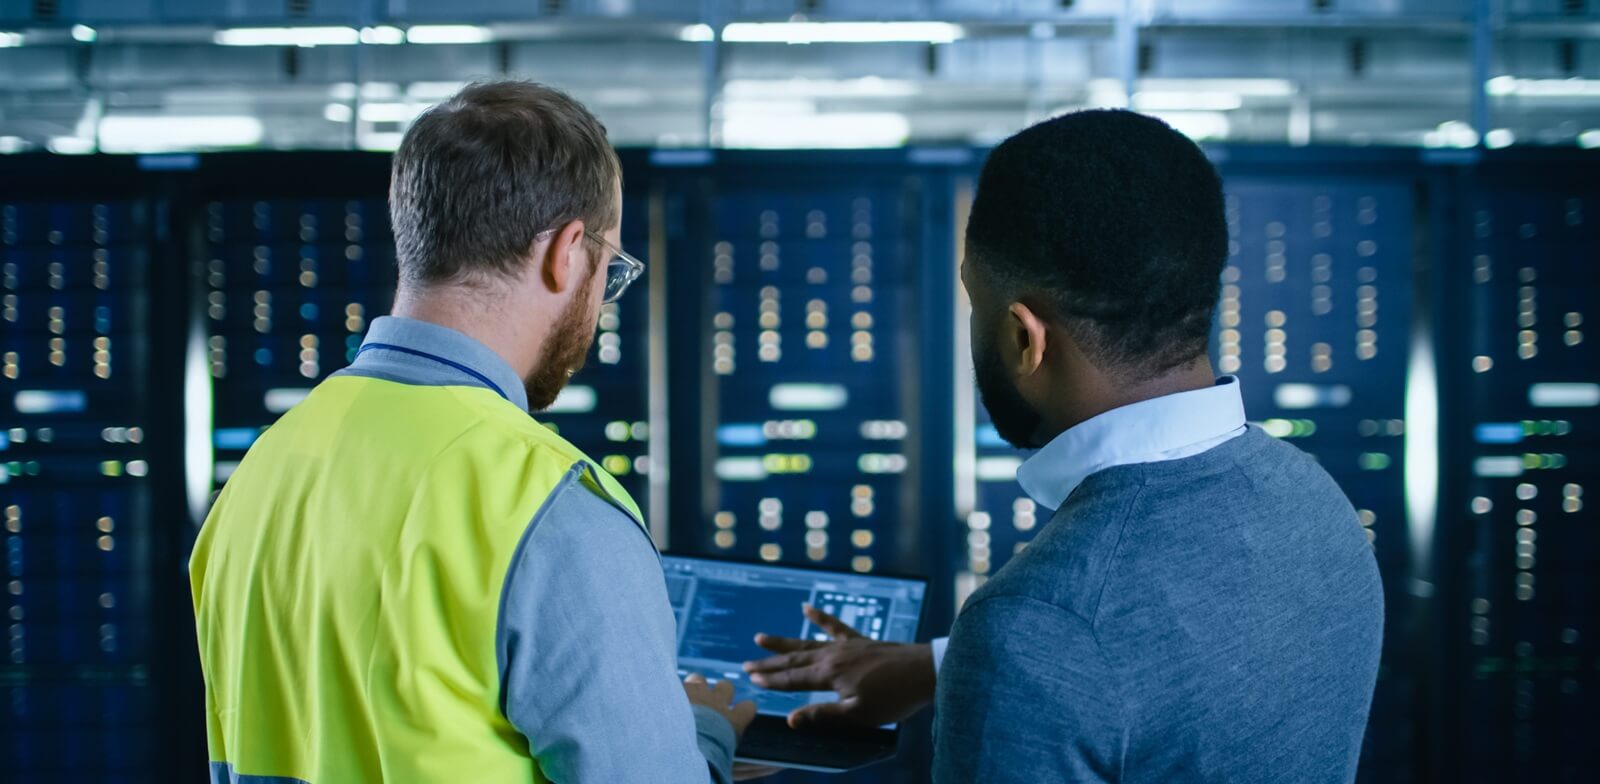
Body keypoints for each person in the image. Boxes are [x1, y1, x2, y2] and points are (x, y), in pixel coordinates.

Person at [744, 109, 1384, 782]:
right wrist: (945, 663)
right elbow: (1180, 648)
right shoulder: (1315, 498)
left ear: (1025, 338)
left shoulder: (1035, 623)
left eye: (975, 301)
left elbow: (1082, 637)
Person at [191, 81, 754, 784]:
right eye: (609, 271)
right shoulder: (550, 507)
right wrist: (703, 738)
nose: (600, 307)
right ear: (568, 252)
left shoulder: (265, 467)